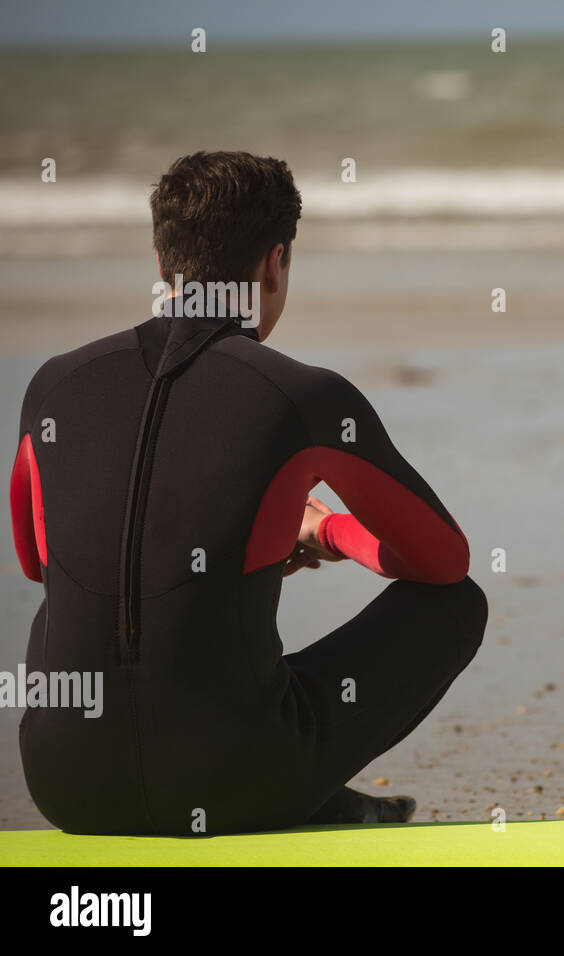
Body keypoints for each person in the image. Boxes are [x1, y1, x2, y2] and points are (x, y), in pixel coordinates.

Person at [8, 151, 487, 835]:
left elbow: (37, 560)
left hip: (66, 789)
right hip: (236, 784)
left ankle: (322, 801)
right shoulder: (302, 396)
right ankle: (297, 790)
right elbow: (444, 563)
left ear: (160, 261)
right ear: (276, 261)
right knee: (455, 607)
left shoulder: (53, 384)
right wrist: (323, 531)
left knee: (62, 602)